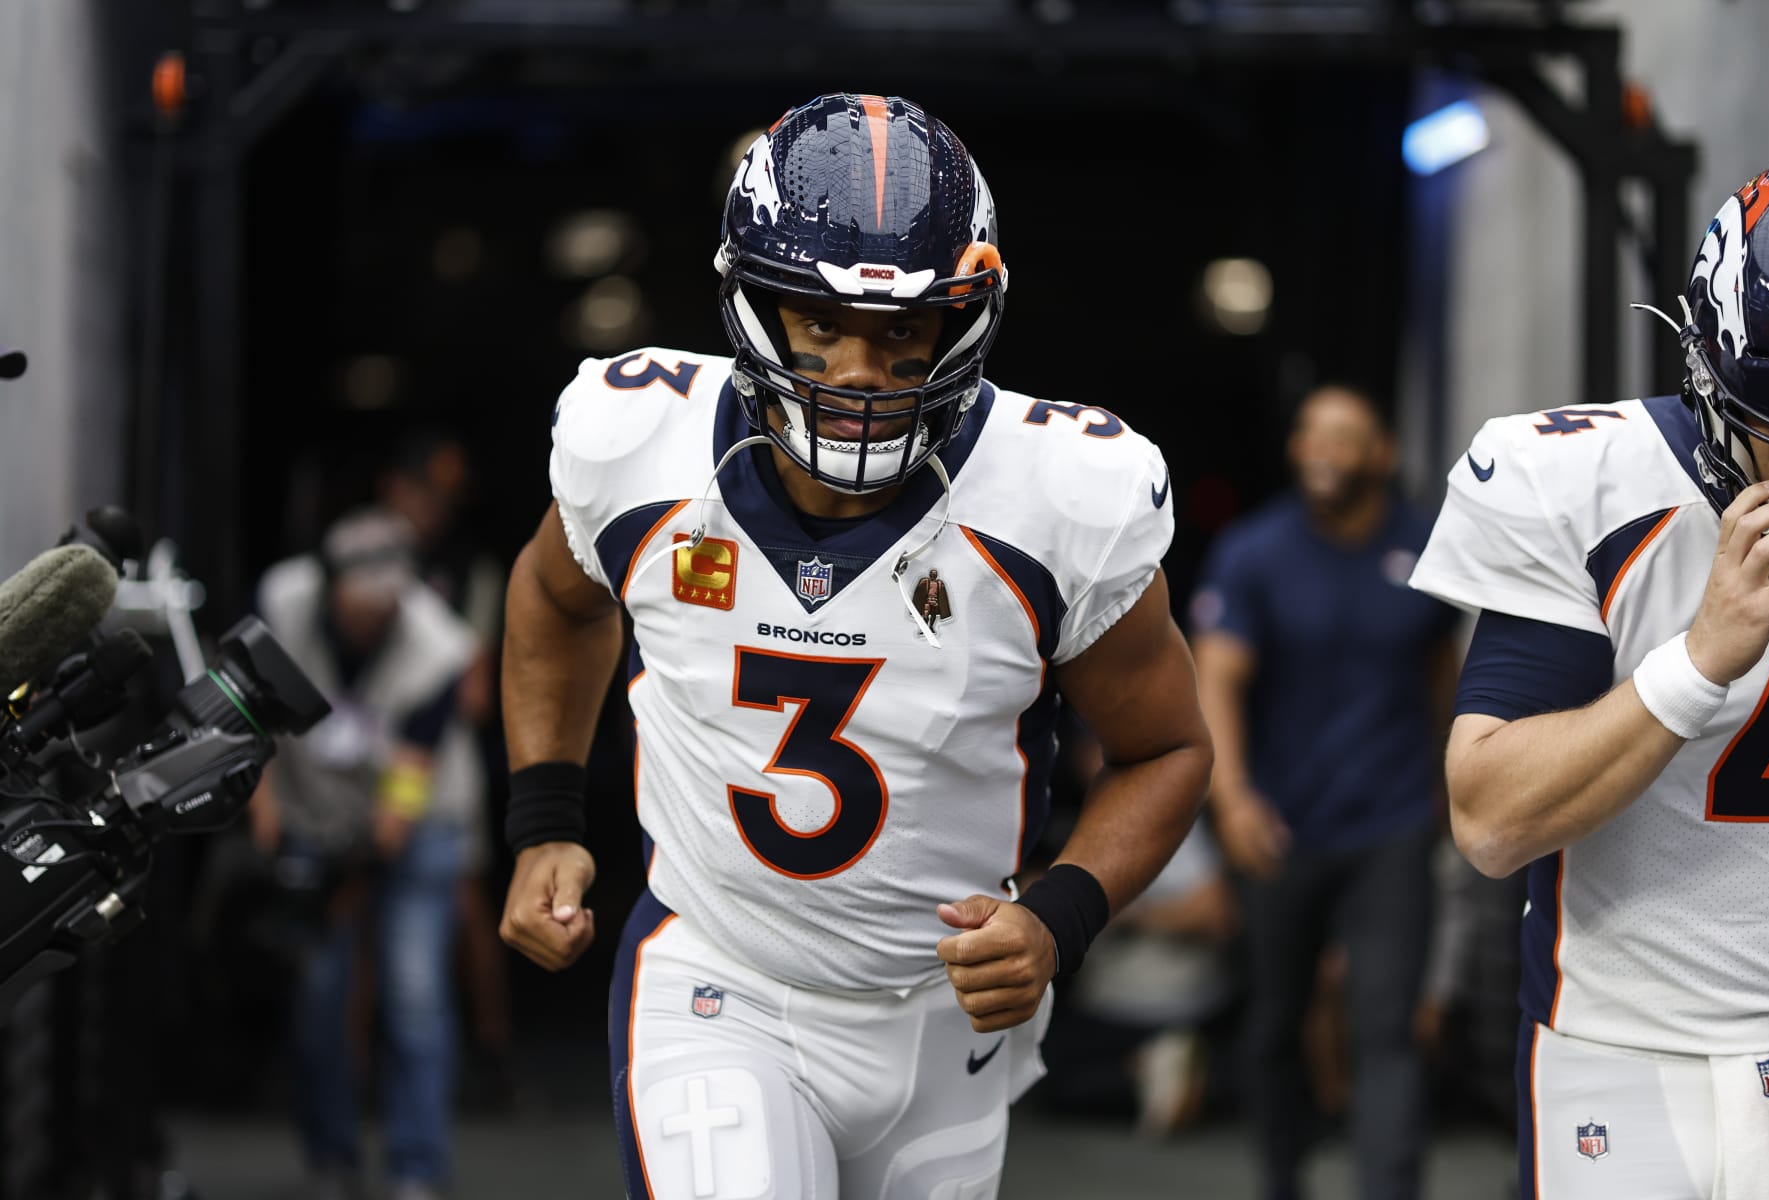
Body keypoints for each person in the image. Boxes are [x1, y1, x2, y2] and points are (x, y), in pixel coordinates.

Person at [495, 91, 1212, 1199]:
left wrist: (1060, 917)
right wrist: (545, 814)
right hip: (719, 978)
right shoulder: (642, 447)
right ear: (754, 307)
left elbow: (1166, 749)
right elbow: (555, 598)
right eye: (819, 322)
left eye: (901, 331)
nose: (858, 370)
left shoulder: (1058, 496)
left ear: (962, 319)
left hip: (942, 1021)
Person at [1408, 161, 1769, 1200]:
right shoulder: (1591, 484)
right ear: (1714, 381)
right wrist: (1700, 660)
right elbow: (1490, 820)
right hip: (1628, 1049)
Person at [1189, 383, 1462, 1200]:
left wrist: (1457, 786)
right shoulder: (1255, 550)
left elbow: (1442, 674)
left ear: (1380, 454)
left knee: (1386, 1029)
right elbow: (1218, 676)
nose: (1322, 450)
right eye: (1310, 434)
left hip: (1394, 821)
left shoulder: (1426, 546)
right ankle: (1282, 1179)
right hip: (1280, 822)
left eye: (1343, 436)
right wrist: (1232, 798)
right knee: (1277, 1023)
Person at [250, 506, 477, 1200]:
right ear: (328, 590)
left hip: (415, 819)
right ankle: (331, 1159)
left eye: (387, 609)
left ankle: (416, 1168)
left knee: (413, 996)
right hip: (313, 813)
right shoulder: (279, 604)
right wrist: (267, 813)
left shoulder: (439, 646)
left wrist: (362, 863)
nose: (373, 621)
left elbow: (407, 784)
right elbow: (251, 711)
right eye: (360, 609)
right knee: (321, 995)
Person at [376, 426, 518, 1110]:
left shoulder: (466, 570)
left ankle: (491, 1056)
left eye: (445, 497)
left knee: (464, 907)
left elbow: (476, 692)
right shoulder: (360, 556)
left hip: (441, 771)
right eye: (423, 492)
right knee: (353, 920)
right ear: (393, 489)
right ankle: (358, 1082)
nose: (434, 508)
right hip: (358, 768)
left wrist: (418, 684)